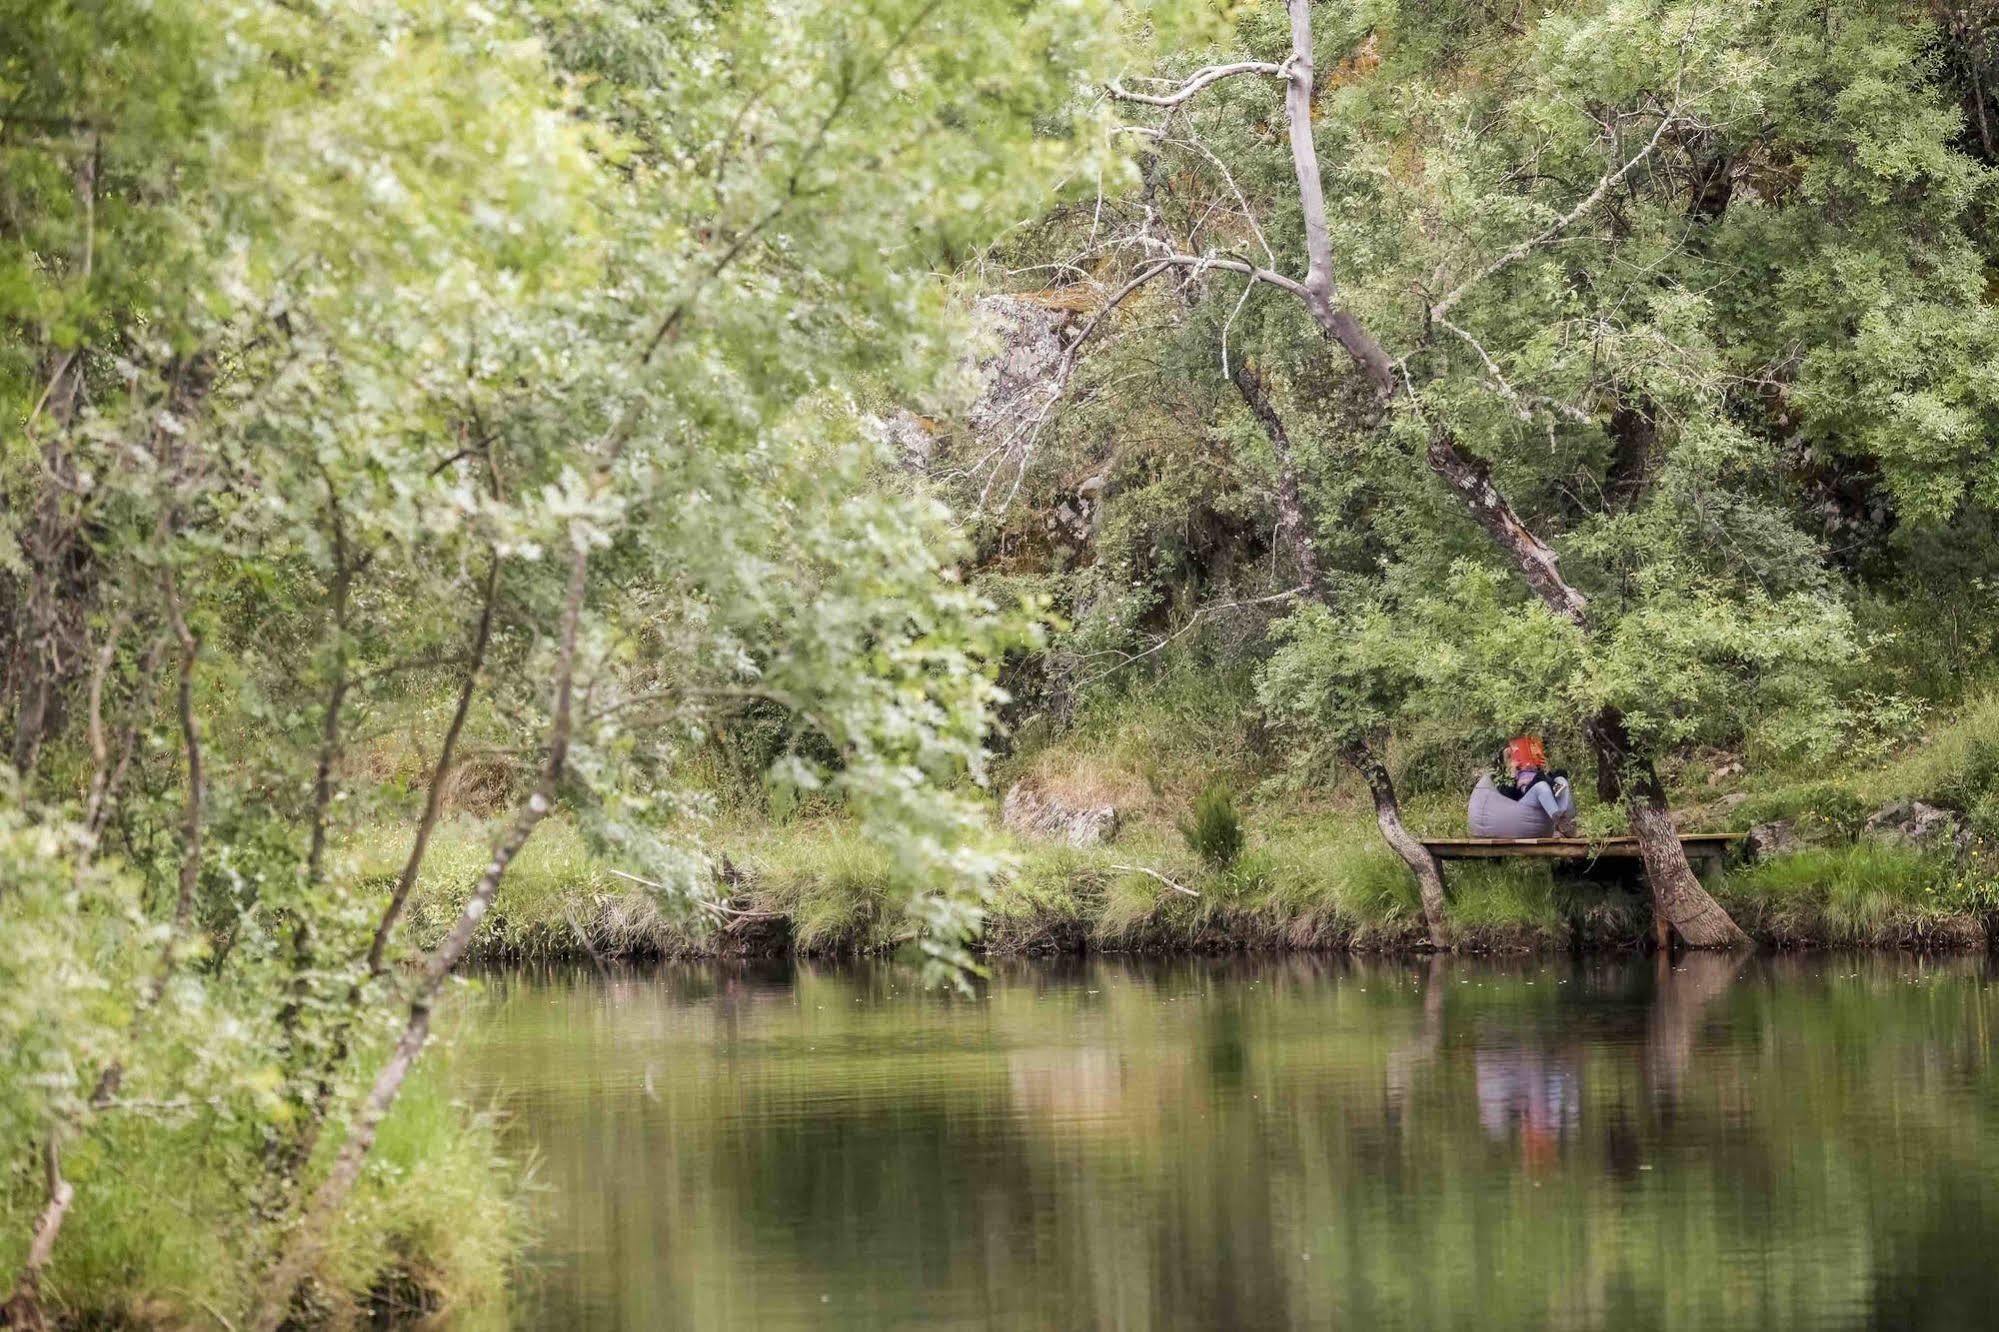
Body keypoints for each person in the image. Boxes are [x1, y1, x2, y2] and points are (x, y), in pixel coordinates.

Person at [1467, 734, 1577, 838]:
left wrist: (1546, 769)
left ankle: (1564, 822)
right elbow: (1509, 796)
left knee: (1561, 779)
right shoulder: (1502, 776)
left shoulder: (1536, 770)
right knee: (1541, 785)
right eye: (1510, 757)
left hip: (1542, 798)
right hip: (1524, 801)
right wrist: (1513, 773)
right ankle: (1559, 823)